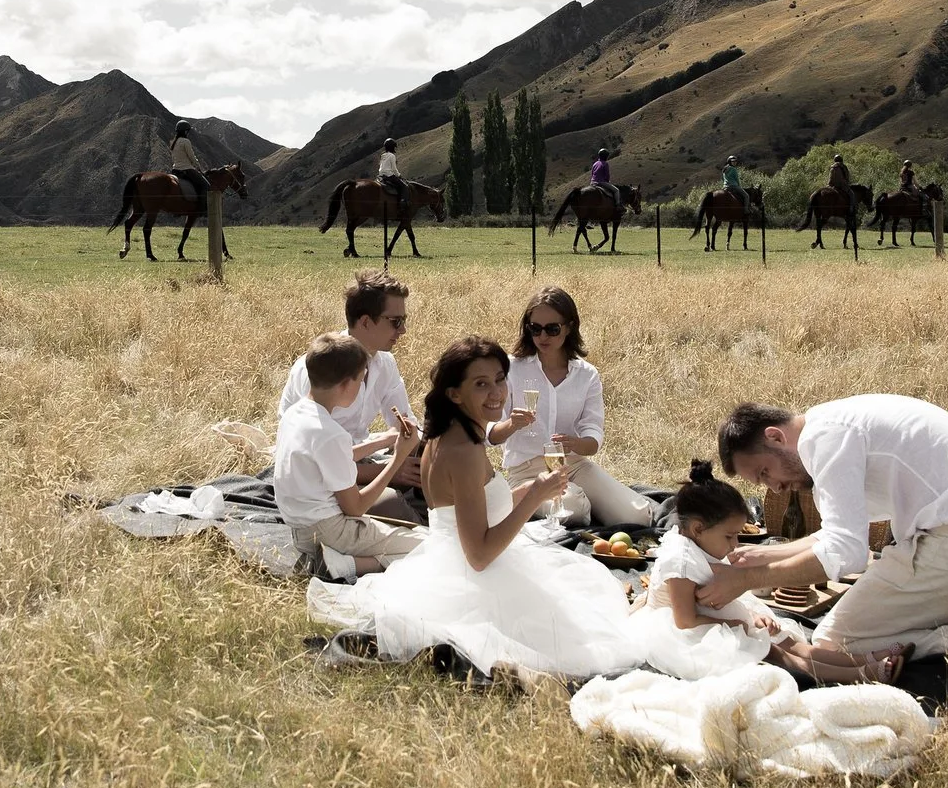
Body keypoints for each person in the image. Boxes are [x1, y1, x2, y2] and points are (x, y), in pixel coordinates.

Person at [308, 336, 671, 680]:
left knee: (585, 597)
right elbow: (479, 554)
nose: (497, 392)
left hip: (452, 558)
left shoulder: (460, 432)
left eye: (499, 379)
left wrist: (530, 489)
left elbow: (476, 508)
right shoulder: (462, 450)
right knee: (589, 632)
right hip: (474, 577)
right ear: (454, 393)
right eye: (480, 384)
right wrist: (532, 498)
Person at [709, 395, 948, 666]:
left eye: (765, 472)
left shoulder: (825, 440)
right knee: (873, 627)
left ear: (775, 437)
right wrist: (765, 553)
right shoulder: (832, 425)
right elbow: (839, 533)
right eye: (761, 482)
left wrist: (749, 579)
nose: (774, 488)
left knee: (835, 643)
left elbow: (848, 553)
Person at [635, 464, 905, 683]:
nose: (735, 545)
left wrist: (753, 616)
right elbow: (684, 620)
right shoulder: (680, 562)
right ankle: (858, 675)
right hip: (688, 630)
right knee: (777, 652)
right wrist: (735, 624)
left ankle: (866, 657)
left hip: (718, 615)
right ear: (697, 529)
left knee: (790, 641)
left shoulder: (702, 544)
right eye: (729, 536)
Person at [496, 286, 658, 528]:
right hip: (527, 471)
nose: (543, 337)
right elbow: (490, 433)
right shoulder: (511, 369)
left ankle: (591, 506)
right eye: (535, 328)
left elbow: (593, 437)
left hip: (575, 465)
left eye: (552, 329)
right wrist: (511, 424)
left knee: (638, 517)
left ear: (569, 327)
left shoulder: (587, 375)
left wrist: (576, 444)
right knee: (574, 508)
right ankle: (581, 507)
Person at [275, 334, 422, 576]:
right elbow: (355, 508)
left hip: (301, 531)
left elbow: (332, 455)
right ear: (346, 384)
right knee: (427, 545)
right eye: (361, 380)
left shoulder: (295, 415)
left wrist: (384, 441)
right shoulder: (332, 434)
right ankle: (344, 565)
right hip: (331, 532)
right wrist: (397, 459)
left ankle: (337, 561)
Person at [278, 270, 421, 490]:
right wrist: (392, 470)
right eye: (396, 321)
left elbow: (404, 424)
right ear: (365, 322)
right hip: (318, 477)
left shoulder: (384, 363)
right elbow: (316, 465)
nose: (403, 330)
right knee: (394, 504)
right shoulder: (324, 366)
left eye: (404, 320)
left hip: (355, 459)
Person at [169, 122, 205, 206]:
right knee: (205, 185)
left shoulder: (173, 142)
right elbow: (191, 156)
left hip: (175, 170)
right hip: (187, 169)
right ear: (185, 131)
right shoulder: (186, 141)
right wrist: (198, 167)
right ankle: (203, 209)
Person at [375, 137, 407, 209]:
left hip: (381, 175)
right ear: (392, 147)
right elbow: (394, 169)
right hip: (389, 175)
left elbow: (380, 165)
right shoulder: (392, 156)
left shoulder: (382, 155)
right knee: (404, 186)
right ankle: (402, 202)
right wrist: (399, 175)